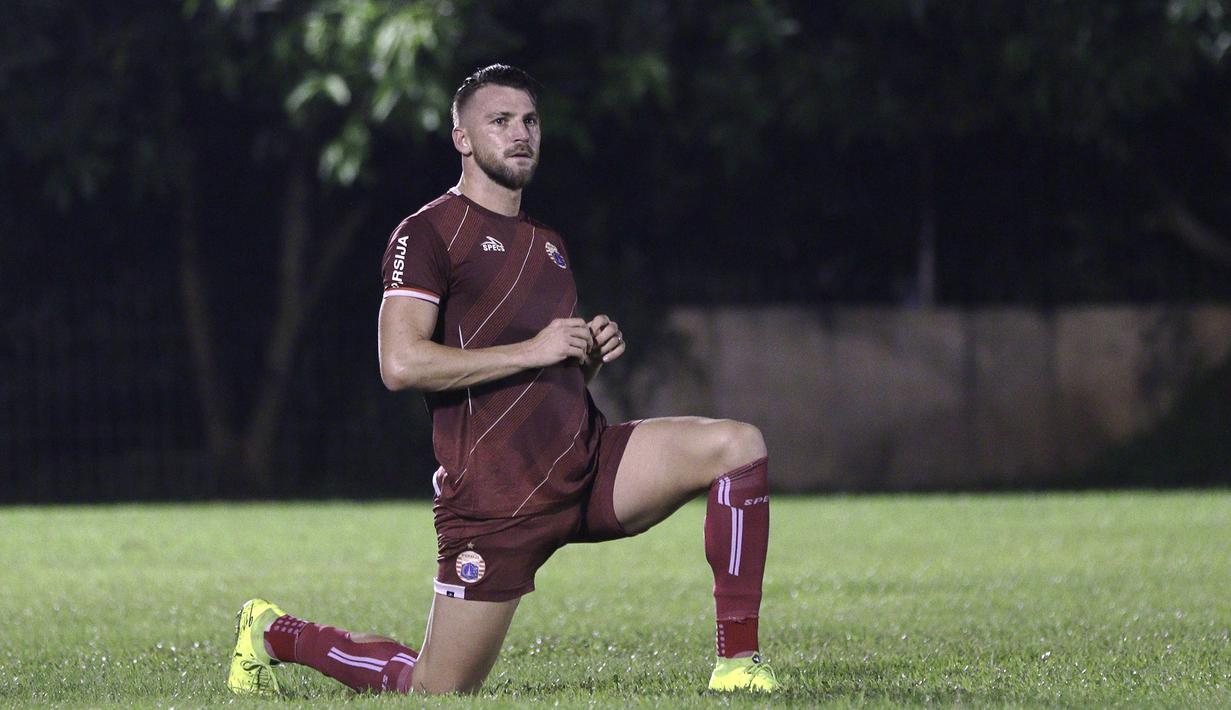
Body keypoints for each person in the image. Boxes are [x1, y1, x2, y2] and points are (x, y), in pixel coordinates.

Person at [226, 63, 778, 696]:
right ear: (462, 138)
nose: (521, 133)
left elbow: (544, 371)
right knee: (436, 690)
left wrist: (587, 356)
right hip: (496, 501)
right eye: (501, 121)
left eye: (530, 121)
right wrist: (534, 349)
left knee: (737, 446)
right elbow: (400, 364)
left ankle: (738, 664)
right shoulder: (426, 233)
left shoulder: (548, 243)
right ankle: (272, 633)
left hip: (586, 465)